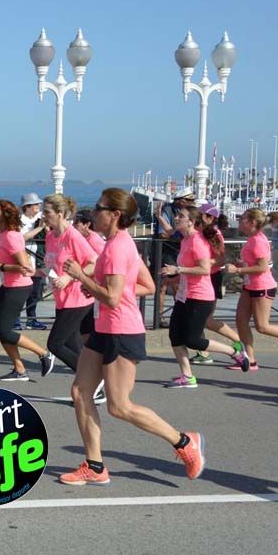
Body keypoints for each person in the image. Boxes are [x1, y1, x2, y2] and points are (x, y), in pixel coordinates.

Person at [60, 188, 206, 486]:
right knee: (80, 392)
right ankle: (95, 466)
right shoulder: (119, 243)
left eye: (98, 208)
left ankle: (184, 442)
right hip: (104, 328)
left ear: (115, 214)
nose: (93, 212)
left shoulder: (117, 248)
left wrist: (82, 277)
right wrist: (98, 289)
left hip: (122, 331)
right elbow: (146, 286)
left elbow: (114, 298)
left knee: (119, 406)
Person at [160, 206, 249, 388]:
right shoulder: (186, 240)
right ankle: (187, 376)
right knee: (175, 336)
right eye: (177, 215)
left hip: (200, 297)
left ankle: (234, 352)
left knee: (193, 340)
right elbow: (189, 269)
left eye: (181, 216)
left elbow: (205, 269)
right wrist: (173, 278)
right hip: (184, 295)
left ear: (191, 222)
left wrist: (177, 269)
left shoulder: (197, 241)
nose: (176, 218)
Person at [0, 199, 54, 381]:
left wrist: (0, 267)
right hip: (8, 286)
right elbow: (6, 263)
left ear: (4, 216)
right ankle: (19, 370)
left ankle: (44, 354)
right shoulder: (5, 234)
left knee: (5, 331)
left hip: (18, 287)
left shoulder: (11, 236)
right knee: (0, 329)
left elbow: (26, 267)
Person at [225, 208, 278, 367]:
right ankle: (250, 359)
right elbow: (253, 262)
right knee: (241, 321)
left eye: (242, 218)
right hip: (249, 285)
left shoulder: (258, 240)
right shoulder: (252, 238)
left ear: (252, 222)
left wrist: (238, 270)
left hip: (262, 287)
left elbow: (263, 267)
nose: (239, 220)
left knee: (262, 326)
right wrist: (241, 264)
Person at [41, 196, 99, 381]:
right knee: (73, 346)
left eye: (47, 212)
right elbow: (52, 265)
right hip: (62, 299)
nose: (43, 215)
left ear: (60, 214)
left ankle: (92, 378)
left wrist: (69, 277)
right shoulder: (50, 236)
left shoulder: (73, 236)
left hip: (77, 298)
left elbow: (94, 262)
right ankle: (93, 387)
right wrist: (33, 271)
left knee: (55, 344)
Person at [188, 204, 241, 365]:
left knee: (206, 320)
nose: (198, 217)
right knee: (196, 318)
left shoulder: (214, 234)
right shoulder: (197, 232)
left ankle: (238, 341)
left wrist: (201, 262)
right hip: (197, 278)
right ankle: (203, 353)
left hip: (210, 277)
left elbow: (220, 259)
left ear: (210, 218)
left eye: (201, 215)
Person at [17, 193, 48, 330]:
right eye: (36, 204)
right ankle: (15, 319)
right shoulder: (19, 220)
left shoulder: (41, 217)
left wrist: (45, 226)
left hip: (38, 259)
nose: (39, 206)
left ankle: (31, 318)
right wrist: (39, 228)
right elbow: (21, 238)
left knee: (35, 291)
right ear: (27, 206)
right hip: (24, 259)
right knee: (21, 291)